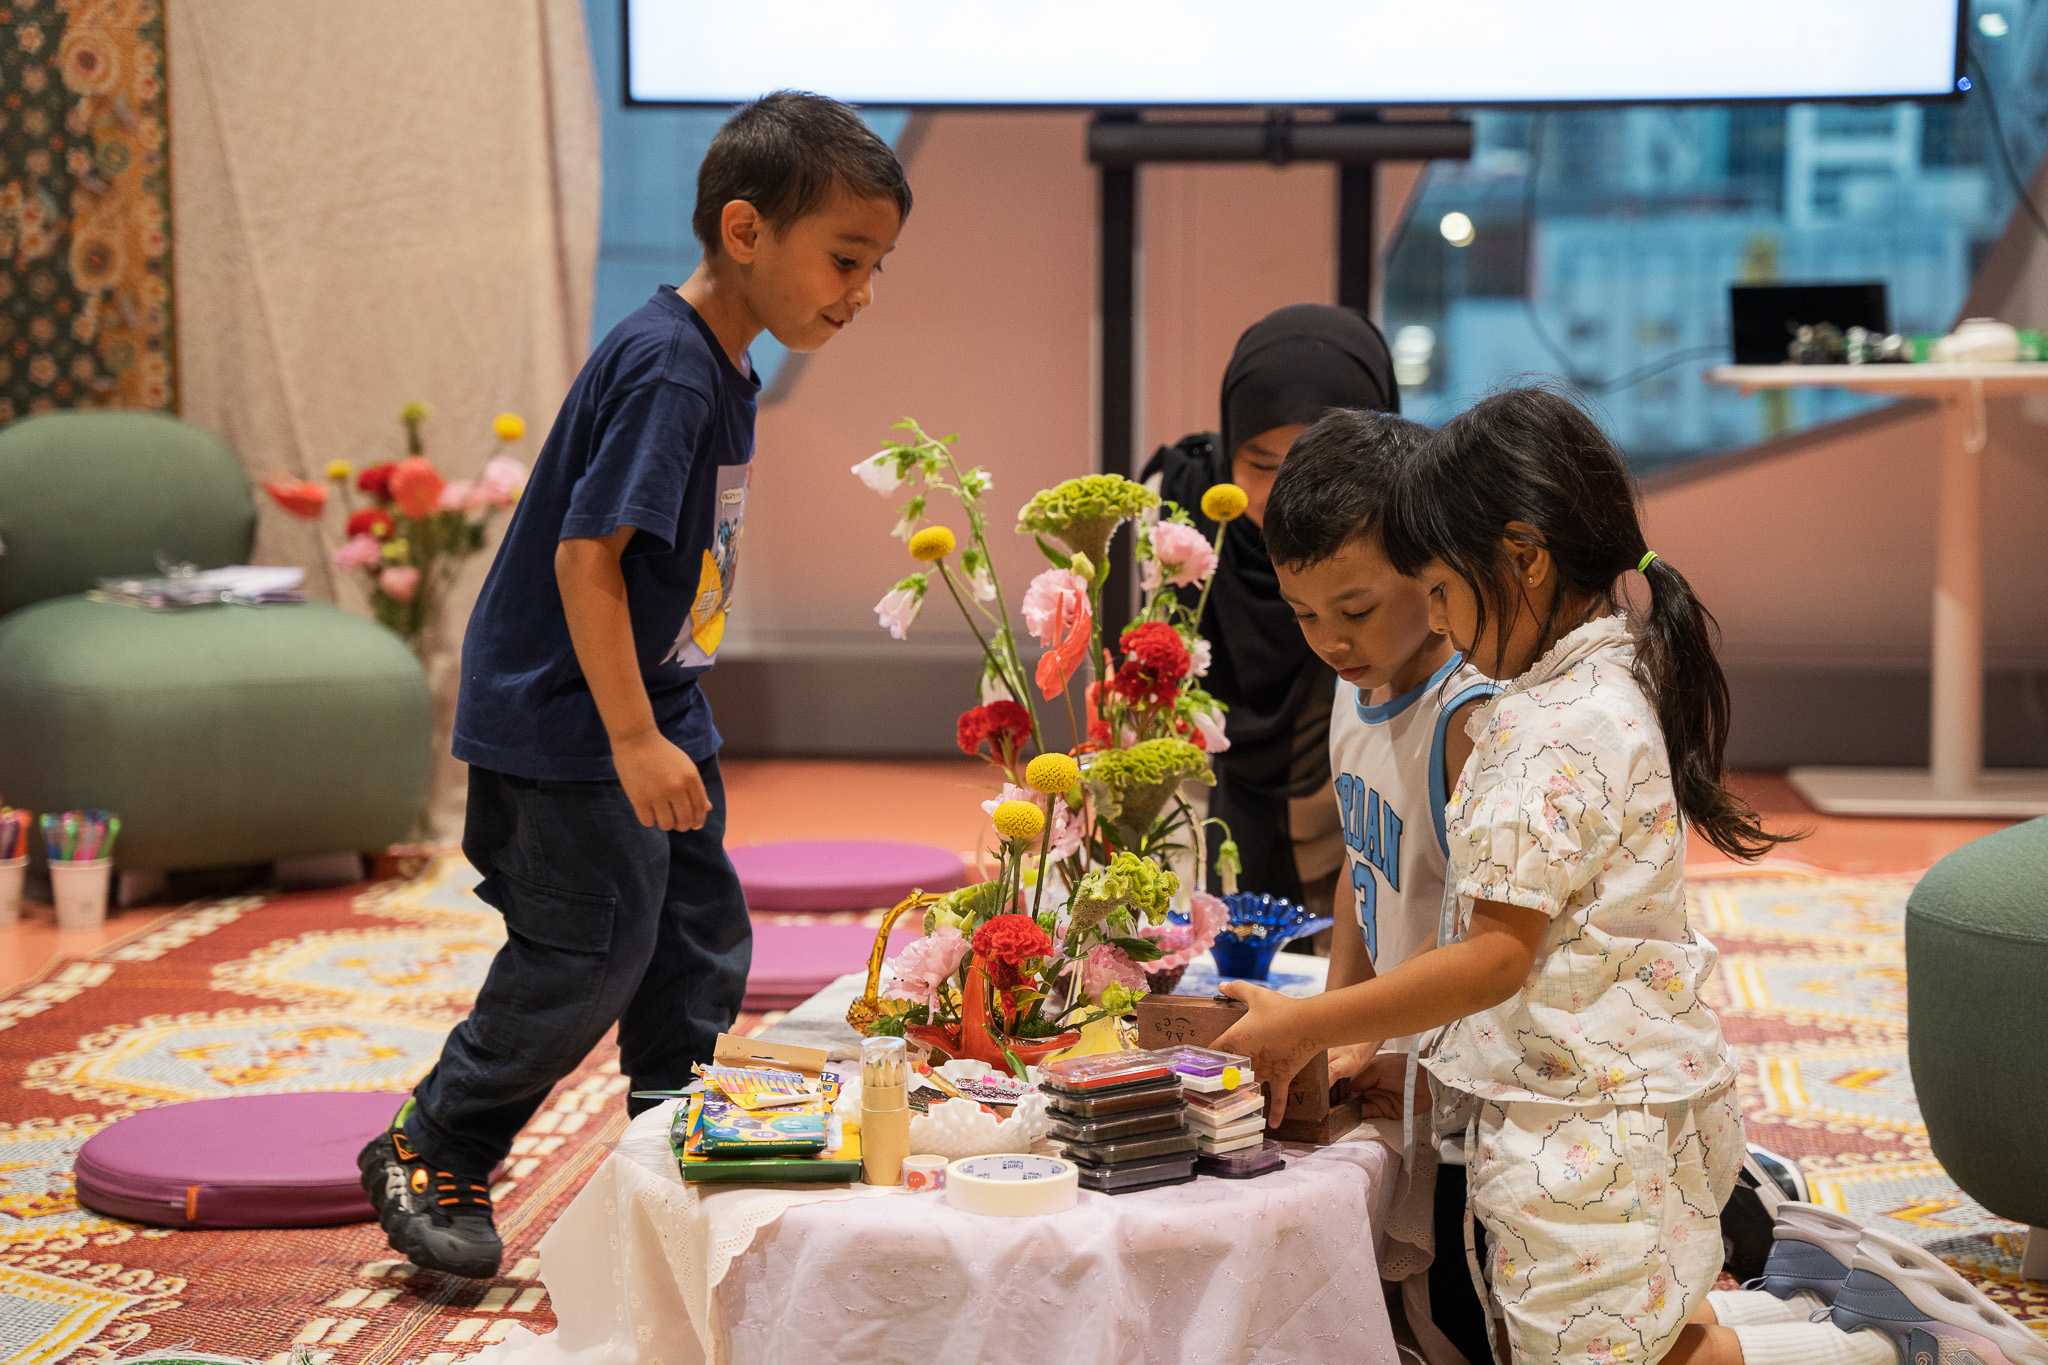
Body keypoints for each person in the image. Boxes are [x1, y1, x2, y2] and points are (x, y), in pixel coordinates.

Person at [357, 91, 912, 1279]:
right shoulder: (670, 369)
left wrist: (660, 726)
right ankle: (436, 1136)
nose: (860, 293)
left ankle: (673, 1150)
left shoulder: (714, 362)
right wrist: (629, 737)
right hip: (574, 726)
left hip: (651, 711)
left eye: (874, 268)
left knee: (696, 938)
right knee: (585, 952)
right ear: (747, 231)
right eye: (846, 260)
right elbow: (582, 558)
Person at [1262, 407, 1502, 1364]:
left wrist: (1348, 1036)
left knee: (1466, 1317)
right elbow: (1365, 878)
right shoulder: (1352, 682)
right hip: (1398, 1072)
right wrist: (1338, 1025)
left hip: (1480, 1094)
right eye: (1305, 615)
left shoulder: (1468, 721)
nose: (1329, 639)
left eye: (1354, 610)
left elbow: (1501, 952)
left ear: (1434, 573)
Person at [1141, 304, 1401, 920]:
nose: (1287, 494)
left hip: (1366, 831)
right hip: (1202, 818)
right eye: (1261, 464)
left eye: (1320, 463)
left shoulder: (1412, 521)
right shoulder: (1177, 505)